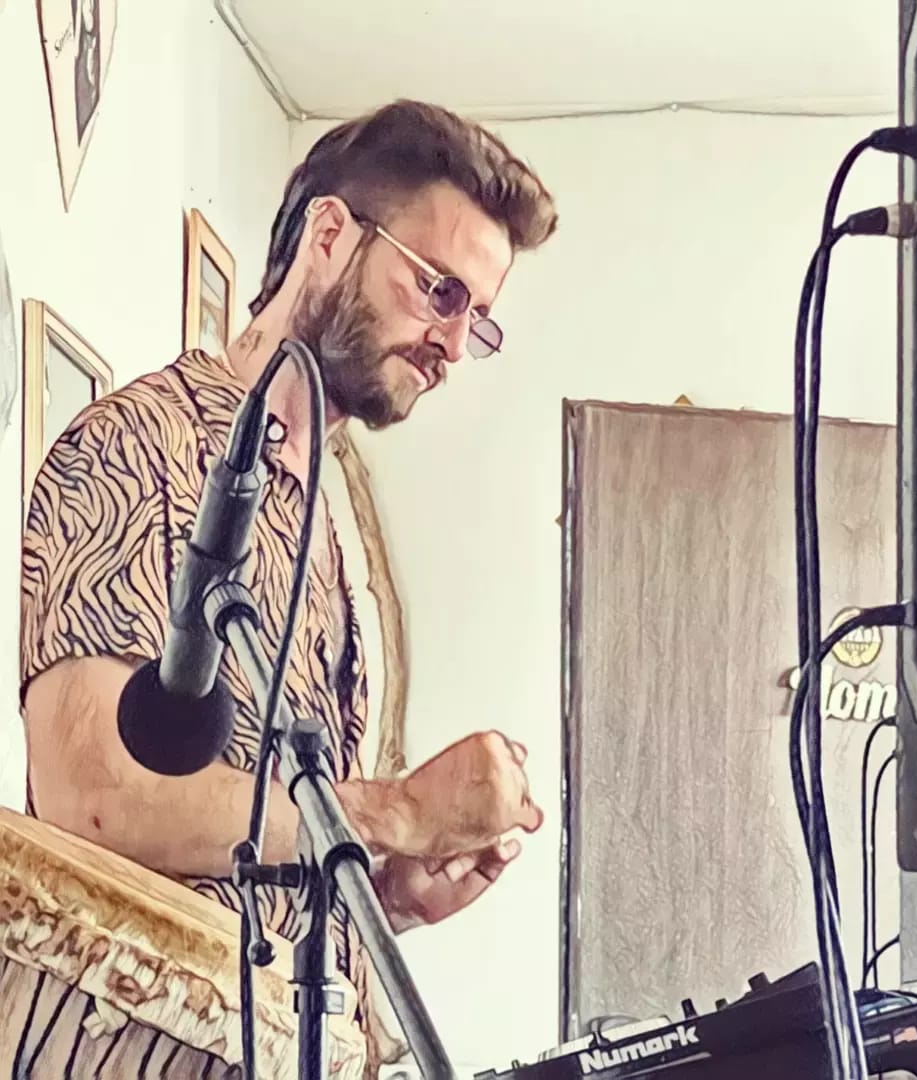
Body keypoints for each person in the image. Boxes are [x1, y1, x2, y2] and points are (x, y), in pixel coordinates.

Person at [20, 99, 558, 1070]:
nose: (452, 341)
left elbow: (253, 862)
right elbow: (90, 796)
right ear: (329, 234)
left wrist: (382, 895)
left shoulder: (328, 523)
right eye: (439, 290)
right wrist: (395, 812)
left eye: (476, 320)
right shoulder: (136, 445)